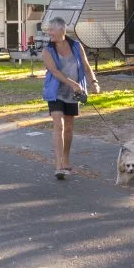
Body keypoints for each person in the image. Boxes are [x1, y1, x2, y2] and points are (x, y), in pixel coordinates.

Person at [42, 17, 99, 180]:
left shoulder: (76, 46)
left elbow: (87, 67)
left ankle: (66, 158)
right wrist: (73, 83)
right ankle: (58, 165)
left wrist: (93, 82)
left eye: (51, 30)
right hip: (56, 91)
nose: (49, 33)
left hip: (74, 93)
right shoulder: (47, 51)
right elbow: (54, 71)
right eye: (49, 30)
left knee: (68, 127)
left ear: (62, 30)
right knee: (58, 125)